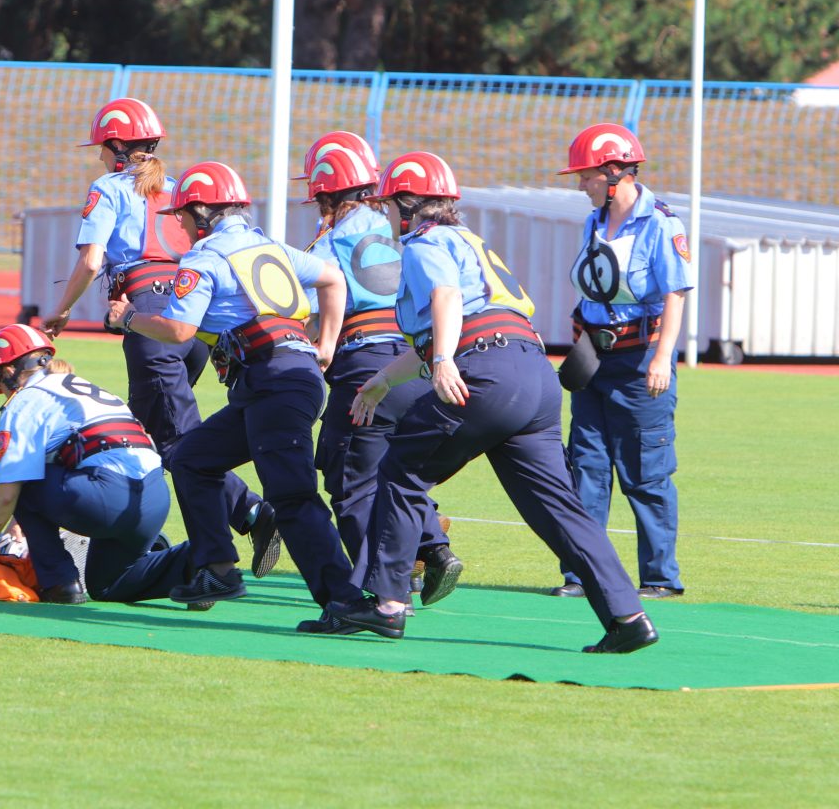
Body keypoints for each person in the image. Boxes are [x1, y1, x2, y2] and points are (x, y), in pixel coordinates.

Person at [334, 151, 657, 653]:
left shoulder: (425, 242)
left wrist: (444, 361)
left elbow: (446, 301)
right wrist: (382, 381)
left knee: (399, 470)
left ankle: (387, 605)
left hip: (486, 372)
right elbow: (464, 324)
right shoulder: (468, 239)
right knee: (559, 508)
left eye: (390, 204)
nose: (387, 215)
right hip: (532, 373)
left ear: (408, 203)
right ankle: (627, 616)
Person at [105, 160, 368, 633]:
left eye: (182, 215)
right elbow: (332, 278)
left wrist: (129, 318)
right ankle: (218, 569)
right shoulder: (268, 246)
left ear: (202, 213)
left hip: (273, 382)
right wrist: (325, 344)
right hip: (279, 379)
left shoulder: (205, 257)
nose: (180, 226)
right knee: (192, 459)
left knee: (292, 497)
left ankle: (345, 601)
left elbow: (178, 330)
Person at [42, 97, 280, 577]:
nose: (98, 157)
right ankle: (186, 538)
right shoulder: (176, 188)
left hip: (150, 319)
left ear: (115, 145)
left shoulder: (108, 188)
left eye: (101, 147)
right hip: (193, 318)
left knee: (178, 447)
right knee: (153, 435)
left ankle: (242, 525)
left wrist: (60, 311)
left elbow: (91, 260)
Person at [301, 142, 460, 604]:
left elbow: (306, 306)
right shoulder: (407, 231)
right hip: (415, 359)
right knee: (395, 468)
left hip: (364, 360)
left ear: (326, 193)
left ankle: (384, 592)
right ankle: (432, 544)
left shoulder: (331, 240)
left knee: (349, 480)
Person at [550, 123, 691, 600]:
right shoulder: (594, 221)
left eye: (586, 176)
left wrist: (662, 357)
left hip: (639, 363)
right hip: (594, 360)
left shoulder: (662, 223)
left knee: (645, 471)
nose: (580, 185)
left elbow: (675, 294)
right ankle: (583, 575)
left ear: (615, 173)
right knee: (585, 468)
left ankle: (660, 578)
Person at [0, 324, 194, 604]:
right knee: (108, 584)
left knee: (22, 483)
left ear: (8, 372)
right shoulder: (82, 388)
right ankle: (195, 563)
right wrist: (20, 525)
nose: (3, 394)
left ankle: (60, 583)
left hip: (107, 496)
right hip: (154, 498)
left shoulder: (25, 400)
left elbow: (10, 493)